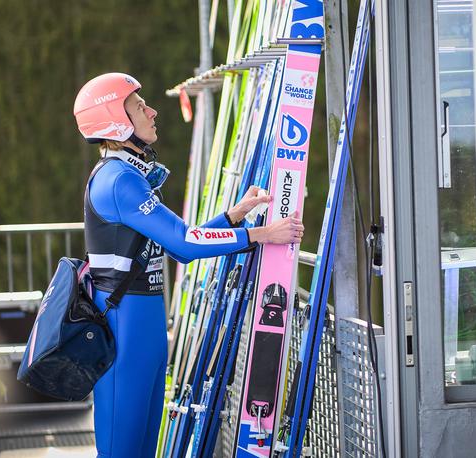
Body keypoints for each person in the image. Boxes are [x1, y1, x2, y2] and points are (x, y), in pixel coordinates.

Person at [73, 72, 304, 457]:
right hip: (122, 331)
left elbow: (179, 247)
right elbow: (186, 242)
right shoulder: (117, 180)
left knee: (145, 449)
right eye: (139, 106)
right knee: (122, 450)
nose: (152, 111)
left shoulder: (130, 175)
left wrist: (234, 216)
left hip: (142, 329)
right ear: (115, 120)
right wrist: (261, 235)